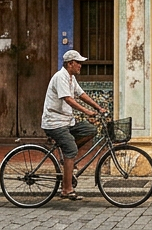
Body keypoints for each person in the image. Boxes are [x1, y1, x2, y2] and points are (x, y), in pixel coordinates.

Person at [41, 49, 106, 201]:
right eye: (78, 63)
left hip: (67, 121)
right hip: (54, 123)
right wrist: (87, 112)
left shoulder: (71, 78)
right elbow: (68, 99)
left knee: (90, 129)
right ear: (70, 64)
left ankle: (67, 158)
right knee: (71, 149)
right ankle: (66, 189)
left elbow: (82, 94)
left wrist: (98, 108)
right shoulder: (60, 77)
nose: (80, 66)